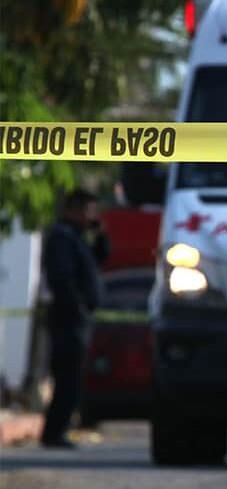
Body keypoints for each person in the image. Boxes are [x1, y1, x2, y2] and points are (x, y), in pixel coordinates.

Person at [40, 189, 109, 448]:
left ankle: (58, 430)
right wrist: (77, 308)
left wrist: (100, 233)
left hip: (77, 319)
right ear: (74, 209)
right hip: (67, 319)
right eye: (88, 210)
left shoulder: (77, 238)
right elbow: (62, 279)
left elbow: (100, 258)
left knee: (73, 377)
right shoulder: (62, 237)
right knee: (67, 378)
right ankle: (53, 432)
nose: (92, 216)